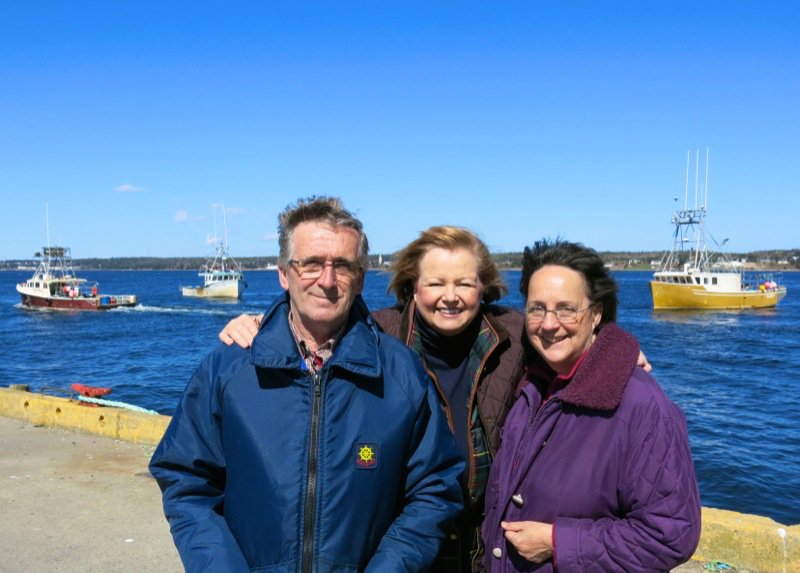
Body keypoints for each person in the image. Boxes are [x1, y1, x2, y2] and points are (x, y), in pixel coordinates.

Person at [219, 226, 653, 572]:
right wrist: (258, 322)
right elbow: (314, 318)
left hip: (489, 541)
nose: (450, 296)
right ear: (412, 285)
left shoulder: (515, 334)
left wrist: (617, 351)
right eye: (436, 283)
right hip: (404, 537)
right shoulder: (378, 335)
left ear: (484, 287)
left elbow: (570, 334)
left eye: (464, 282)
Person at [150, 197, 465, 572]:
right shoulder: (230, 368)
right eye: (311, 264)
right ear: (284, 273)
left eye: (343, 266)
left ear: (361, 278)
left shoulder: (400, 374)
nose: (327, 280)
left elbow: (435, 490)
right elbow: (187, 481)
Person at [481, 239, 701, 573]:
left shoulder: (640, 406)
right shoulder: (532, 382)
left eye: (566, 309)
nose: (549, 323)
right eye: (537, 308)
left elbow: (671, 534)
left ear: (595, 314)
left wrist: (558, 543)